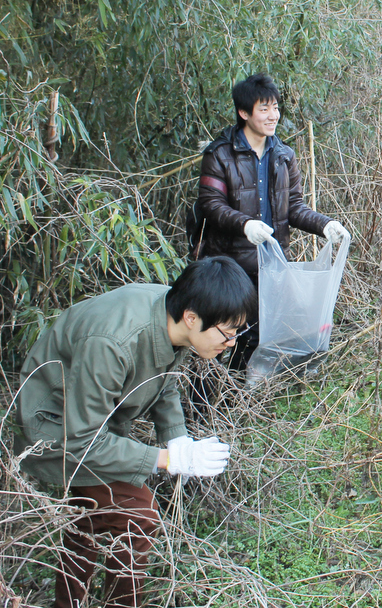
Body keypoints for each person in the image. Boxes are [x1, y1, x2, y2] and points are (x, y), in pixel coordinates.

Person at [14, 256, 257, 608]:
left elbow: (165, 382)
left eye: (238, 332)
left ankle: (67, 603)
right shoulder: (115, 342)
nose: (231, 342)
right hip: (55, 425)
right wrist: (170, 458)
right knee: (138, 517)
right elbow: (81, 440)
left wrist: (176, 436)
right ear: (193, 318)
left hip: (92, 417)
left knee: (92, 515)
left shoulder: (176, 313)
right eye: (227, 332)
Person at [195, 73, 349, 371]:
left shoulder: (283, 155)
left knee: (257, 336)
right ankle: (210, 402)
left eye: (275, 107)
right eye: (264, 109)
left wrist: (325, 225)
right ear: (244, 112)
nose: (273, 115)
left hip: (271, 266)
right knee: (221, 334)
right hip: (230, 264)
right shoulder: (220, 154)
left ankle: (243, 396)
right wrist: (245, 225)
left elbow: (293, 208)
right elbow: (210, 204)